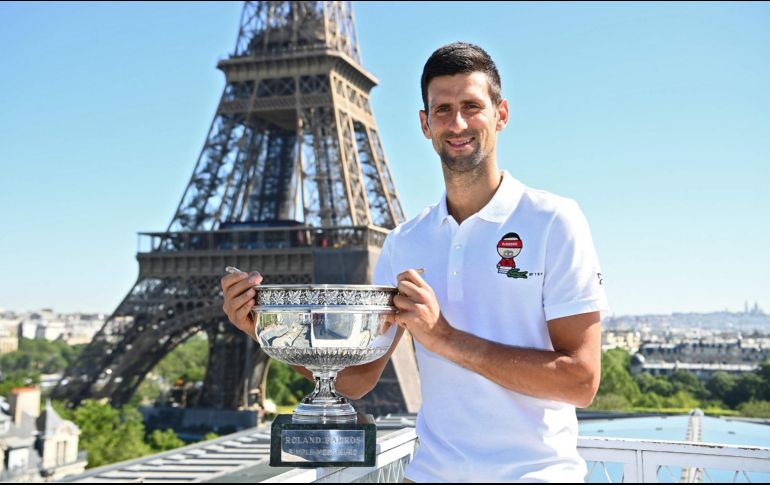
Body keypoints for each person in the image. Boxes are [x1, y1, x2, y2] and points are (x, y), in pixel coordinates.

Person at [222, 42, 608, 482]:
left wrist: (443, 337)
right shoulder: (405, 241)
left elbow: (581, 381)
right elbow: (355, 381)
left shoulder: (554, 221)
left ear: (501, 114)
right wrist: (267, 329)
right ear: (424, 124)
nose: (457, 123)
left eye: (471, 106)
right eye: (442, 110)